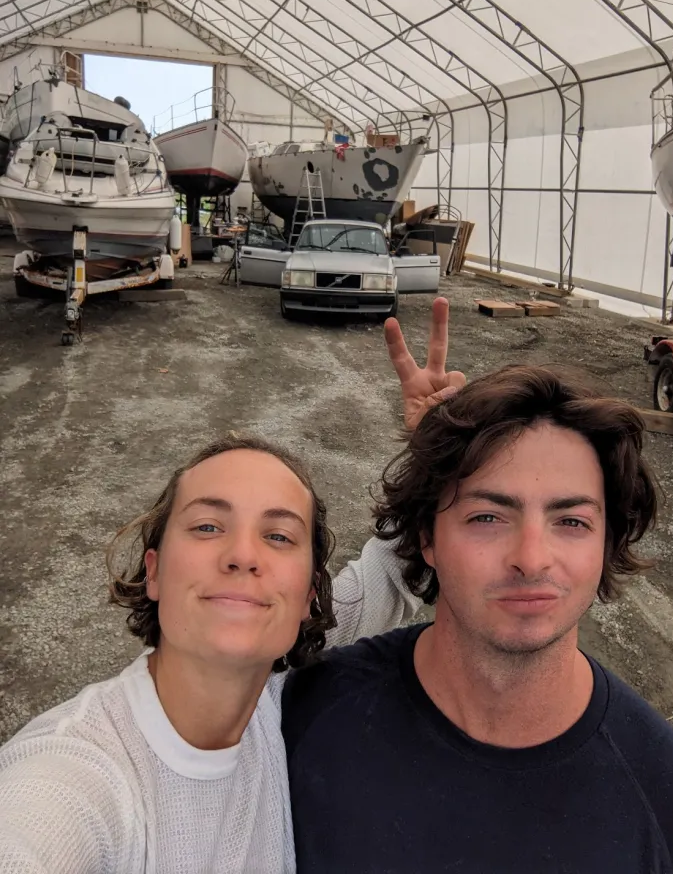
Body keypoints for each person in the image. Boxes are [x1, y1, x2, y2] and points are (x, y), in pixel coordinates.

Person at [0, 299, 464, 874]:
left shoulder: (271, 685)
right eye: (207, 526)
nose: (243, 555)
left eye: (278, 536)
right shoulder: (74, 777)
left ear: (310, 596)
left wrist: (437, 451)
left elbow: (394, 568)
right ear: (154, 570)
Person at [283, 361, 673, 873]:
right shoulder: (304, 718)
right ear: (426, 537)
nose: (531, 558)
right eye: (487, 517)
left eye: (571, 521)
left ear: (606, 543)